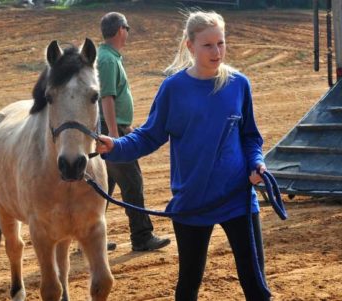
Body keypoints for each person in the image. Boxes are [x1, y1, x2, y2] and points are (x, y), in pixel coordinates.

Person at [97, 11, 271, 301]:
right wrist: (117, 146)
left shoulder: (239, 84)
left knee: (255, 286)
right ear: (190, 46)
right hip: (192, 202)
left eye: (221, 43)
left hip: (238, 199)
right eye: (208, 45)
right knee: (188, 286)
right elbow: (150, 135)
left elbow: (250, 136)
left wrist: (256, 163)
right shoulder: (173, 89)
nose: (217, 52)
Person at [97, 12, 171, 252]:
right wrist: (114, 135)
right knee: (132, 183)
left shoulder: (109, 56)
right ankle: (142, 236)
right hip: (113, 130)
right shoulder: (107, 59)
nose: (127, 33)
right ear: (120, 30)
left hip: (113, 128)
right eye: (127, 28)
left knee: (103, 185)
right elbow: (106, 97)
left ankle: (92, 236)